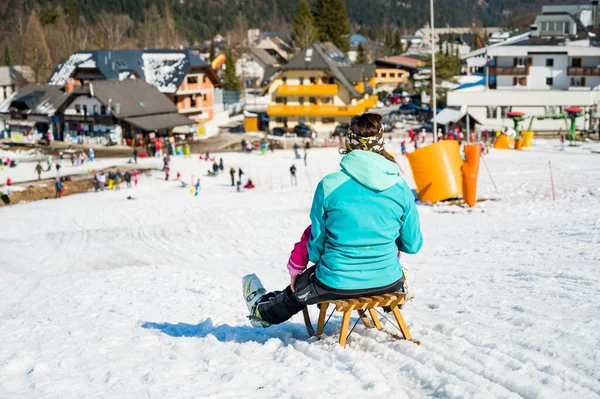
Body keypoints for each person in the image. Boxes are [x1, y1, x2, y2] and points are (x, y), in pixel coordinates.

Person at [242, 113, 423, 328]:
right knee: (382, 267)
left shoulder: (330, 185)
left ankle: (263, 312)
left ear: (347, 143)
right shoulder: (400, 188)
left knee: (297, 290)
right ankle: (395, 289)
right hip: (388, 280)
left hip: (336, 281)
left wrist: (302, 267)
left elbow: (316, 245)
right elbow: (412, 244)